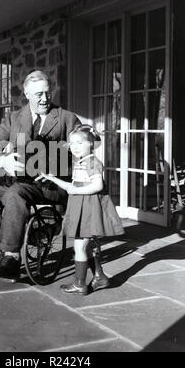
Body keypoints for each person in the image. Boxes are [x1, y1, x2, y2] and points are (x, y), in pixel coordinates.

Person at [0, 70, 80, 279]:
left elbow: (84, 152)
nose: (45, 99)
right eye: (39, 95)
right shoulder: (15, 118)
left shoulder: (67, 119)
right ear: (27, 94)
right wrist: (2, 161)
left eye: (47, 93)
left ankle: (12, 256)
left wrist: (59, 159)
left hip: (49, 184)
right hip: (18, 181)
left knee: (15, 194)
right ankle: (6, 248)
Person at [37, 124, 124, 295]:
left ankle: (80, 283)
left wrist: (76, 190)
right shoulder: (82, 161)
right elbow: (72, 186)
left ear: (91, 143)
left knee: (79, 248)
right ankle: (100, 277)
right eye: (72, 144)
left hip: (88, 210)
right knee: (86, 246)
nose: (74, 147)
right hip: (80, 207)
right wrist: (52, 178)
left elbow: (98, 185)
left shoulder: (92, 162)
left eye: (79, 143)